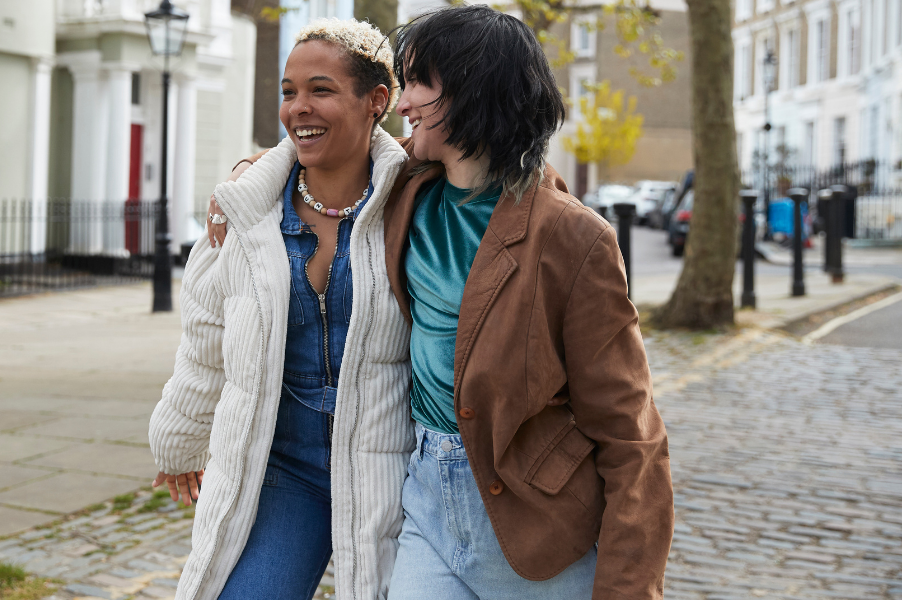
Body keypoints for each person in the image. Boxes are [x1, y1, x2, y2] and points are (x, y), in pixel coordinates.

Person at [208, 6, 674, 599]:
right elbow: (332, 149)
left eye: (418, 85)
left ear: (472, 93)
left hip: (538, 521)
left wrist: (630, 587)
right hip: (425, 496)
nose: (402, 104)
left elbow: (630, 430)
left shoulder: (575, 240)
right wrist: (253, 171)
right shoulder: (406, 185)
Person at [148, 19, 415, 600]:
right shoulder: (247, 214)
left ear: (377, 101)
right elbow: (206, 338)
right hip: (281, 466)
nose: (298, 108)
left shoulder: (417, 202)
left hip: (392, 467)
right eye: (289, 92)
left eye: (320, 89)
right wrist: (178, 440)